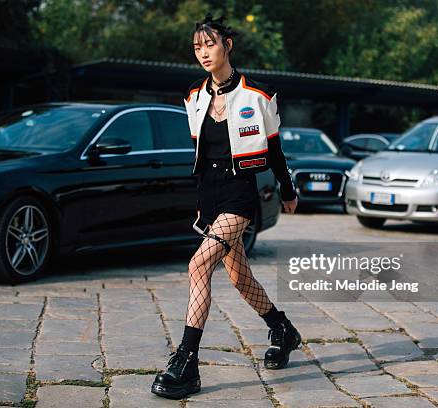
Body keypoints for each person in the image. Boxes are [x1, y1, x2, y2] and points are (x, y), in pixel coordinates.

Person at [151, 12, 301, 400]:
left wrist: (287, 190)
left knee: (199, 264)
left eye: (209, 44)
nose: (203, 52)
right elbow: (202, 151)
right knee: (238, 277)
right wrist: (202, 203)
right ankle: (282, 329)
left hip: (239, 195)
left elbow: (275, 148)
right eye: (197, 46)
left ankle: (186, 362)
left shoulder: (258, 94)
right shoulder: (193, 97)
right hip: (210, 196)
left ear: (227, 45)